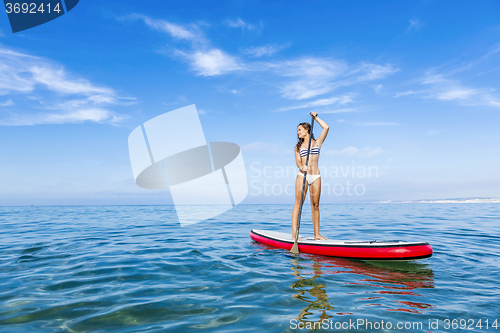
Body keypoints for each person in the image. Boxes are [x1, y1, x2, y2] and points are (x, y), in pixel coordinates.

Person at [291, 111, 329, 241]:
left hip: (316, 176)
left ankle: (316, 234)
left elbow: (326, 127)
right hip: (303, 176)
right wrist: (301, 167)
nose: (298, 132)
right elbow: (297, 161)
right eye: (297, 131)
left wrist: (316, 118)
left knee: (316, 205)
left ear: (307, 130)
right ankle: (295, 233)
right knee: (298, 204)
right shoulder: (298, 146)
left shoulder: (317, 142)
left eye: (300, 130)